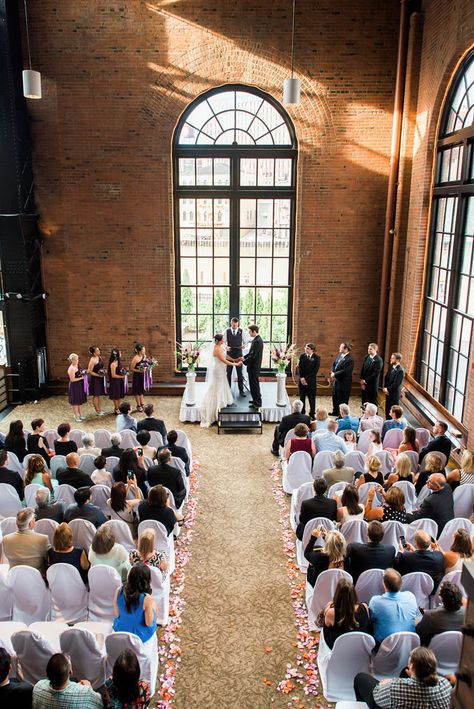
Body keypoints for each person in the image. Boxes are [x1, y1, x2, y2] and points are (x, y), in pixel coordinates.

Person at [354, 646, 452, 709]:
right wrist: (413, 676)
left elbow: (377, 696)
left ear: (412, 666)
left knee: (360, 678)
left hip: (385, 694)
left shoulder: (394, 689)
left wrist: (384, 683)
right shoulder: (445, 685)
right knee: (404, 672)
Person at [32, 653, 103, 708]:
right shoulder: (86, 693)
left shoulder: (38, 687)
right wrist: (89, 688)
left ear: (47, 673)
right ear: (71, 672)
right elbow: (100, 705)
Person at [199, 333, 241, 427]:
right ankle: (216, 404)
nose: (224, 340)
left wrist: (234, 359)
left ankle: (223, 400)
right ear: (218, 340)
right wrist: (235, 365)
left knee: (223, 383)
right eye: (223, 339)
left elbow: (226, 356)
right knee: (216, 385)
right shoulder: (217, 349)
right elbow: (223, 360)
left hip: (221, 368)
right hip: (217, 368)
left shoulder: (221, 347)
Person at [368, 568, 418, 644]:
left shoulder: (375, 601)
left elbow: (370, 620)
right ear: (402, 583)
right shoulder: (411, 596)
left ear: (384, 584)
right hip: (408, 643)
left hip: (384, 646)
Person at [321, 578, 371, 650]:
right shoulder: (365, 607)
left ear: (337, 594)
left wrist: (328, 606)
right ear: (354, 594)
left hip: (337, 647)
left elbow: (326, 625)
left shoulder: (331, 613)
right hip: (357, 645)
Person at [113, 564, 157, 643]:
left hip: (121, 630)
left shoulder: (118, 591)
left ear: (129, 577)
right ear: (147, 580)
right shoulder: (146, 598)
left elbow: (117, 614)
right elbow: (148, 623)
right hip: (139, 635)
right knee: (154, 606)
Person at [3, 507, 50, 572]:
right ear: (30, 523)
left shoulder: (6, 539)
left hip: (15, 578)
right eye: (34, 519)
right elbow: (49, 560)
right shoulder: (42, 539)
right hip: (37, 579)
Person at [329, 342, 354, 414]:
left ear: (346, 349)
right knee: (335, 397)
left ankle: (342, 414)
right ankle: (335, 411)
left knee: (342, 399)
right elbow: (334, 364)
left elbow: (346, 371)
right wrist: (333, 372)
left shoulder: (350, 359)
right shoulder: (340, 354)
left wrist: (335, 374)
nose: (339, 348)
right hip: (336, 381)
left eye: (341, 347)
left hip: (344, 383)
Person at [242, 324, 263, 410]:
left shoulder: (257, 341)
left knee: (254, 385)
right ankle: (255, 400)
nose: (249, 333)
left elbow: (253, 355)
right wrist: (243, 357)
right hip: (253, 367)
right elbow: (251, 353)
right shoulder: (256, 340)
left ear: (254, 331)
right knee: (252, 384)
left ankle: (257, 402)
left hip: (254, 367)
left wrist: (244, 361)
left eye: (250, 331)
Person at [297, 343, 320, 420]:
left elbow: (315, 371)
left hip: (311, 381)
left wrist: (305, 379)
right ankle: (302, 412)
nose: (305, 349)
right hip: (302, 381)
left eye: (307, 348)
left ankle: (312, 414)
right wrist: (302, 378)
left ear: (312, 350)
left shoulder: (317, 358)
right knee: (302, 397)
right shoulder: (302, 356)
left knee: (311, 398)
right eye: (305, 348)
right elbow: (300, 368)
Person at [225, 317, 245, 396]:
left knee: (240, 374)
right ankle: (228, 390)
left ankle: (241, 391)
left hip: (239, 355)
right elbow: (223, 342)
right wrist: (226, 347)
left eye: (236, 325)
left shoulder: (242, 331)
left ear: (238, 324)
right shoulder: (227, 331)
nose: (234, 327)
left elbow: (246, 342)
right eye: (233, 325)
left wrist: (244, 346)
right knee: (228, 373)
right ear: (231, 323)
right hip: (229, 355)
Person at [360, 342, 383, 407]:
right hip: (364, 382)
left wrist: (365, 381)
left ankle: (374, 416)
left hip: (372, 384)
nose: (368, 350)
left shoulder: (378, 360)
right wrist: (362, 381)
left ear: (375, 349)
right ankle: (364, 415)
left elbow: (375, 373)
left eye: (370, 349)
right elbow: (363, 368)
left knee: (372, 402)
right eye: (368, 348)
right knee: (364, 400)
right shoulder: (367, 357)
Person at [382, 351, 405, 419]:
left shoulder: (400, 371)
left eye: (392, 358)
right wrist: (385, 388)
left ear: (397, 360)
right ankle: (387, 420)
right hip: (388, 391)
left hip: (394, 393)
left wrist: (387, 389)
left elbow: (396, 384)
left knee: (393, 410)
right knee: (388, 409)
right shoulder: (391, 366)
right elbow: (386, 377)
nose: (390, 359)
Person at [87, 345, 107, 417]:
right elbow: (90, 371)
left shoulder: (99, 357)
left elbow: (101, 367)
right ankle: (97, 411)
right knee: (96, 395)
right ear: (94, 353)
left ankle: (99, 409)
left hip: (100, 378)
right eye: (97, 351)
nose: (99, 351)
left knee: (98, 395)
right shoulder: (92, 360)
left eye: (99, 350)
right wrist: (98, 375)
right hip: (95, 379)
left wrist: (104, 371)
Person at [67, 353, 87, 423]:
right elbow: (72, 380)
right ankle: (76, 416)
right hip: (74, 386)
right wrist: (82, 378)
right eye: (76, 359)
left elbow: (80, 372)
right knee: (75, 402)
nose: (78, 360)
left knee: (79, 401)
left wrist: (84, 373)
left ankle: (81, 414)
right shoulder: (71, 368)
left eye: (78, 359)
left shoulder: (77, 365)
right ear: (72, 360)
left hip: (79, 385)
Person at [131, 343, 149, 413]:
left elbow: (145, 364)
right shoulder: (135, 358)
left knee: (141, 390)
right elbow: (131, 368)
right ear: (139, 351)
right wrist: (140, 370)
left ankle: (142, 404)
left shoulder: (144, 356)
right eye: (143, 349)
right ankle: (138, 405)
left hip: (142, 376)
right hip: (137, 376)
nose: (144, 350)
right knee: (137, 391)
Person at [109, 348, 126, 415]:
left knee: (119, 395)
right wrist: (122, 376)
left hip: (119, 381)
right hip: (115, 382)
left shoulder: (118, 362)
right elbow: (113, 375)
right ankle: (116, 408)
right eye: (120, 353)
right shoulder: (113, 364)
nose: (121, 354)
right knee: (116, 395)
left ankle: (118, 407)